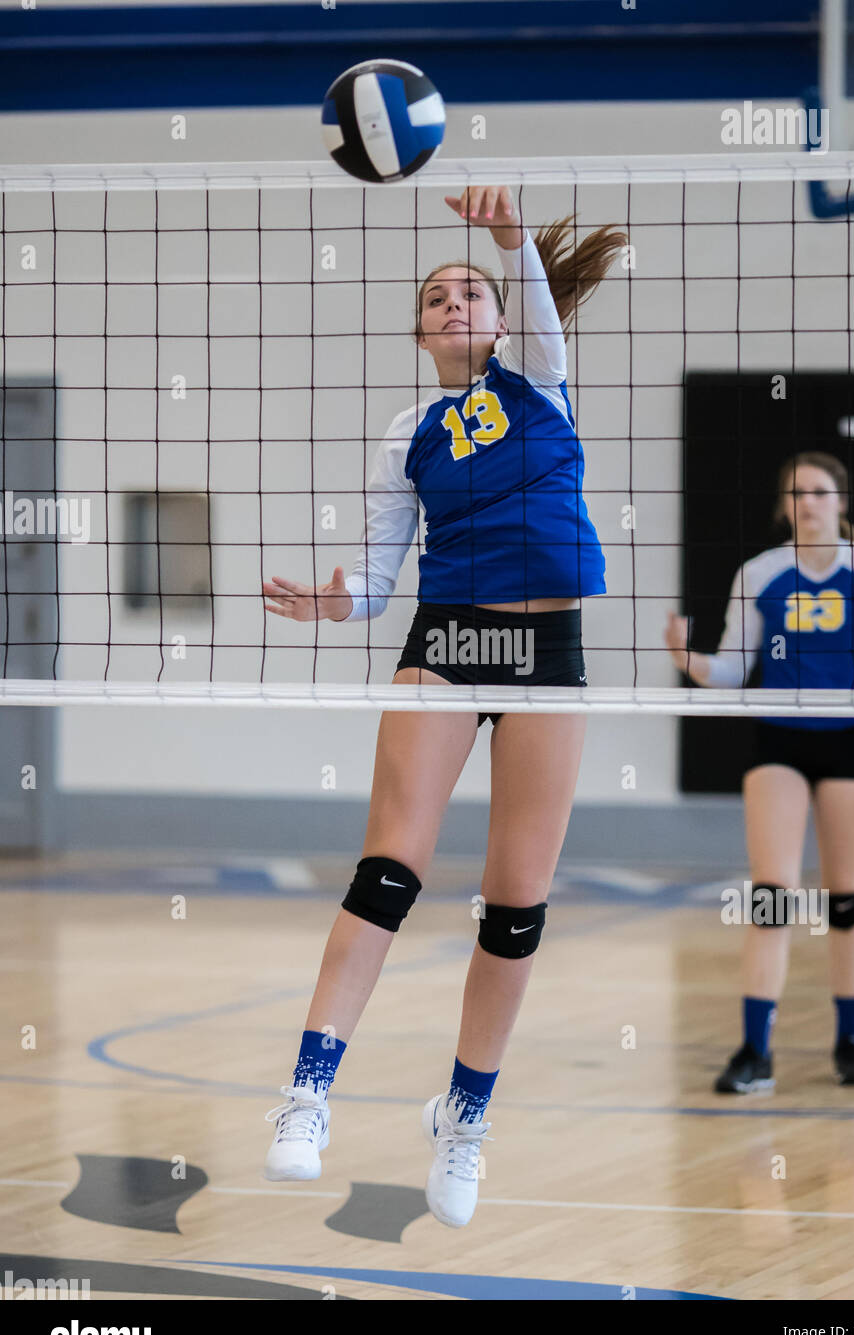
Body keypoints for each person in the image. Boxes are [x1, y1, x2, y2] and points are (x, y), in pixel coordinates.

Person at [261, 185, 625, 1225]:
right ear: (422, 331)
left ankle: (464, 1117)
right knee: (391, 867)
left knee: (516, 906)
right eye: (437, 298)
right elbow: (375, 584)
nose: (457, 303)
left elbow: (536, 300)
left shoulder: (544, 385)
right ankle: (308, 1092)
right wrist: (332, 602)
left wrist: (510, 241)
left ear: (505, 318)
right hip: (453, 639)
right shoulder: (408, 431)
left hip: (547, 649)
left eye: (473, 292)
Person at [664, 452, 854, 1093]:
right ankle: (754, 1052)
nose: (808, 503)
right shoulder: (761, 573)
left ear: (842, 502)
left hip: (852, 743)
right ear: (784, 505)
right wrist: (688, 657)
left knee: (846, 901)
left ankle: (850, 1045)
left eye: (820, 492)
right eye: (796, 493)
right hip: (780, 741)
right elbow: (733, 669)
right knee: (771, 896)